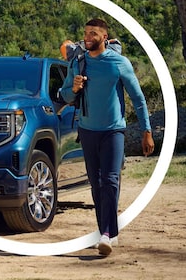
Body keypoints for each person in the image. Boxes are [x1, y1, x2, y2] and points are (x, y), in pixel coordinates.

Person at [61, 19, 155, 256]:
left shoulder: (119, 63)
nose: (88, 37)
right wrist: (73, 89)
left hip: (113, 130)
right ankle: (108, 232)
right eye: (85, 34)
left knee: (110, 180)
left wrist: (147, 131)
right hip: (87, 130)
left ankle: (105, 235)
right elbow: (64, 95)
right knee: (96, 184)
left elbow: (138, 98)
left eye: (93, 33)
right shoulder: (79, 63)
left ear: (105, 37)